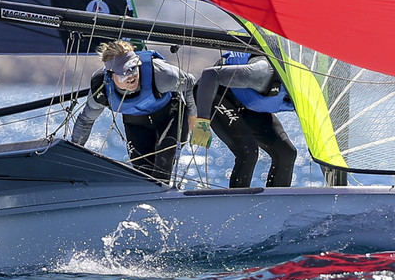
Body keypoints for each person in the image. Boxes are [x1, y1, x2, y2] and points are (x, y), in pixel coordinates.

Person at [69, 39, 195, 183]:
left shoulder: (161, 74)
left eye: (133, 68)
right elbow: (86, 120)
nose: (131, 75)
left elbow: (190, 83)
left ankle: (164, 199)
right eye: (123, 72)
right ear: (111, 75)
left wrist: (194, 117)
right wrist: (75, 150)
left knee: (163, 164)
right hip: (136, 125)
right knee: (143, 175)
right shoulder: (102, 89)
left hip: (170, 116)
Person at [190, 49, 298, 188]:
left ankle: (276, 205)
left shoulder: (307, 95)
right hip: (218, 93)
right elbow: (210, 75)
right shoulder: (263, 73)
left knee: (286, 153)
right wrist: (202, 121)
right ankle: (237, 206)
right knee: (248, 152)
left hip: (250, 106)